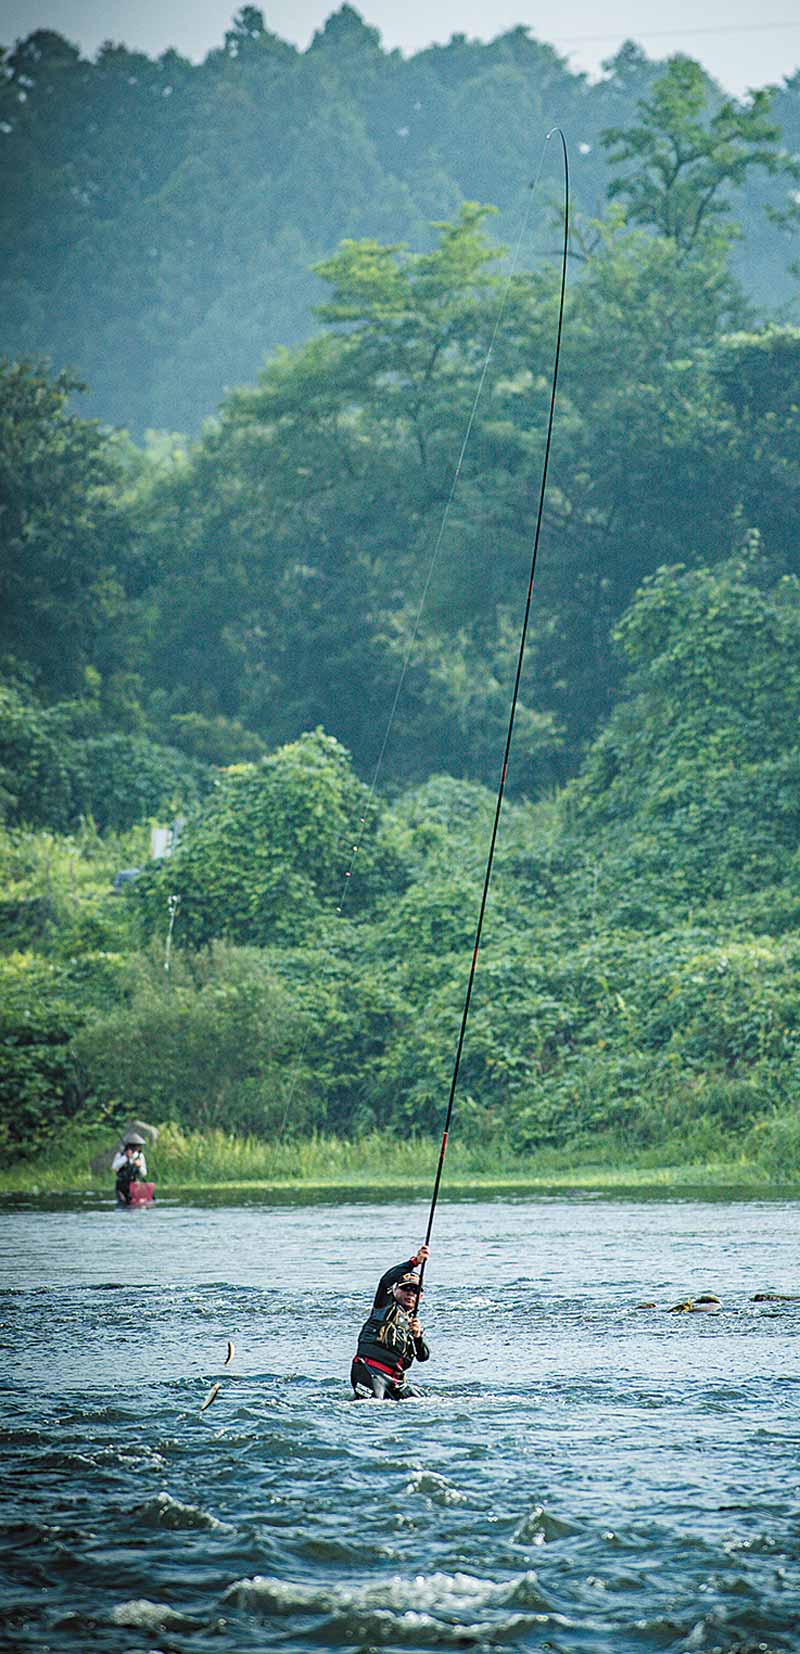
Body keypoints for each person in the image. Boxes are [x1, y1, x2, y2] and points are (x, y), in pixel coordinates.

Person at [351, 1244, 431, 1399]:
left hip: (396, 1382)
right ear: (395, 1291)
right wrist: (414, 1262)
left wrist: (418, 1337)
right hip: (370, 1371)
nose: (410, 1293)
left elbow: (423, 1356)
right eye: (405, 1288)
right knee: (372, 1408)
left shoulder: (412, 1323)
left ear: (421, 1297)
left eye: (415, 1290)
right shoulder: (384, 1306)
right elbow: (386, 1280)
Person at [112, 1134, 148, 1205]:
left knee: (135, 1204)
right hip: (121, 1186)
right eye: (137, 1146)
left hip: (135, 1185)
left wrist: (139, 1166)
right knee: (122, 1204)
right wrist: (126, 1158)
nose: (139, 1148)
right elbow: (114, 1167)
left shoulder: (140, 1156)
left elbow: (144, 1173)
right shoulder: (120, 1155)